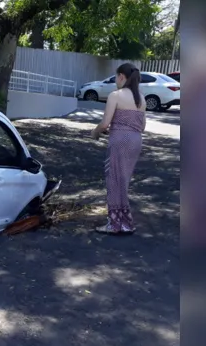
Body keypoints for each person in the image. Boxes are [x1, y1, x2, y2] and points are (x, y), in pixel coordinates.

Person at [90, 63, 146, 235]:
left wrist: (95, 131)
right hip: (135, 141)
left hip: (119, 141)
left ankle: (114, 224)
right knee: (124, 181)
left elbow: (105, 123)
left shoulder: (116, 95)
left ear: (122, 76)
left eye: (116, 77)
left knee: (114, 180)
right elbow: (142, 126)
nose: (115, 80)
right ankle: (125, 222)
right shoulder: (141, 99)